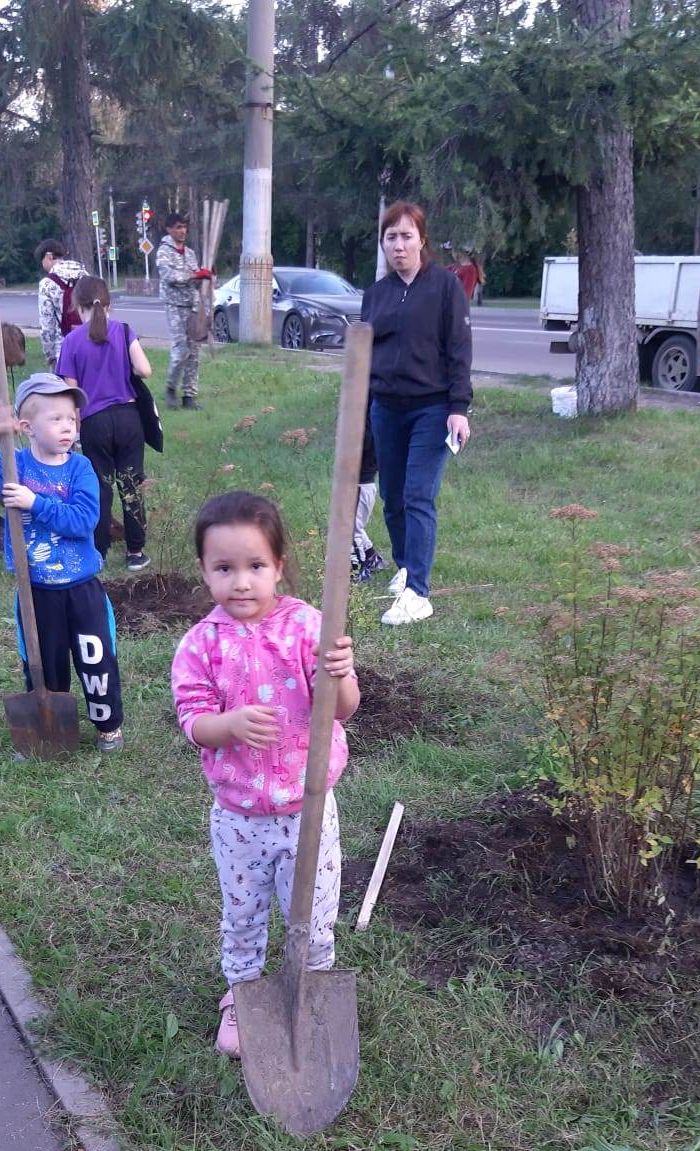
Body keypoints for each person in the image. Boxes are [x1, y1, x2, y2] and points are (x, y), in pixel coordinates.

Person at [171, 490, 359, 1057]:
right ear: (205, 572)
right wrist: (228, 724)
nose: (242, 582)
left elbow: (344, 708)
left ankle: (309, 994)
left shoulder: (308, 627)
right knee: (244, 914)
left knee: (313, 917)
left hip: (308, 809)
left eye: (255, 566)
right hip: (239, 817)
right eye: (224, 569)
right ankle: (243, 993)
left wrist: (342, 674)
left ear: (278, 565)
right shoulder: (200, 645)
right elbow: (193, 722)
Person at [0, 373, 125, 753]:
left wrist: (34, 503)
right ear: (26, 427)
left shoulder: (80, 468)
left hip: (82, 588)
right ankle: (50, 727)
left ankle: (108, 724)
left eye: (71, 418)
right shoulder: (13, 465)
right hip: (36, 591)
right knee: (43, 661)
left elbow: (84, 520)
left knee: (96, 657)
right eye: (56, 419)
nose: (67, 426)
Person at [360, 201, 473, 625]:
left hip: (432, 408)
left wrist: (458, 408)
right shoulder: (376, 295)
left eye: (407, 236)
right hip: (386, 409)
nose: (399, 245)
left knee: (417, 495)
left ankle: (418, 592)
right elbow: (366, 355)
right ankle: (406, 565)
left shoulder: (444, 287)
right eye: (391, 237)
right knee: (391, 495)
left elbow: (459, 349)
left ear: (422, 240)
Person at [56, 275, 152, 571]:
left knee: (99, 485)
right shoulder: (124, 331)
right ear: (108, 304)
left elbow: (71, 393)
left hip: (94, 422)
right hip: (128, 418)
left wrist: (73, 430)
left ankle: (98, 549)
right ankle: (135, 551)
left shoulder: (71, 342)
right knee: (132, 483)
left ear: (77, 306)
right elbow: (145, 370)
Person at [156, 213, 212, 409]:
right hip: (174, 306)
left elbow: (193, 280)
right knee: (181, 350)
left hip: (192, 306)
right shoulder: (164, 251)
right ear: (169, 229)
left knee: (194, 352)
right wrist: (194, 274)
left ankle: (189, 396)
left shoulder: (189, 253)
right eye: (178, 227)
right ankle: (171, 388)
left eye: (184, 227)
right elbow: (169, 276)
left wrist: (204, 277)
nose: (183, 231)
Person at [34, 238, 86, 369]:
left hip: (63, 349)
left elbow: (47, 325)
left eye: (42, 261)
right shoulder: (85, 275)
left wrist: (50, 355)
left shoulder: (47, 284)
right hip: (89, 344)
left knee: (65, 389)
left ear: (49, 257)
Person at [350, 415, 387, 582]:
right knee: (354, 526)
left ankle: (358, 569)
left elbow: (363, 441)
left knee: (350, 529)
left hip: (361, 486)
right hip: (360, 485)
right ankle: (372, 558)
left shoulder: (368, 425)